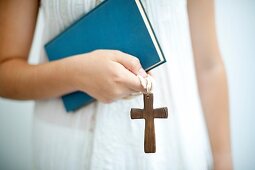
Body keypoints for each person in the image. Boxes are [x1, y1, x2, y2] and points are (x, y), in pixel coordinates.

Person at [0, 0, 232, 169]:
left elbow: (208, 65)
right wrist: (77, 74)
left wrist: (223, 160)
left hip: (177, 142)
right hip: (70, 148)